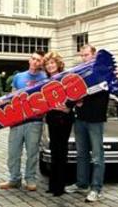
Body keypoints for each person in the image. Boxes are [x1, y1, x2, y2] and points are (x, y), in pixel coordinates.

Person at [65, 44, 108, 202]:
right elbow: (72, 94)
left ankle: (96, 189)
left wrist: (117, 78)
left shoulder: (104, 72)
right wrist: (73, 103)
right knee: (81, 154)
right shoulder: (79, 73)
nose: (84, 58)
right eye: (82, 55)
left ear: (94, 55)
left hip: (95, 120)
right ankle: (82, 184)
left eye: (86, 55)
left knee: (97, 156)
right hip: (80, 119)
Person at [0, 50, 47, 191]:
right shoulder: (19, 77)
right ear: (29, 60)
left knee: (32, 152)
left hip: (35, 121)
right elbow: (12, 97)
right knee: (13, 152)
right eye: (33, 58)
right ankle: (14, 179)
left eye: (38, 60)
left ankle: (30, 179)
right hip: (17, 120)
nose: (35, 62)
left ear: (41, 63)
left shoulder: (45, 78)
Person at [43, 51, 74, 196]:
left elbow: (76, 93)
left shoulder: (66, 77)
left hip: (64, 118)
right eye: (47, 64)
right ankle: (52, 184)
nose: (50, 66)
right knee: (54, 150)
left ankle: (60, 186)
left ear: (58, 64)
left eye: (52, 63)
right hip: (52, 118)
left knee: (62, 151)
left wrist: (68, 106)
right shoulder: (45, 81)